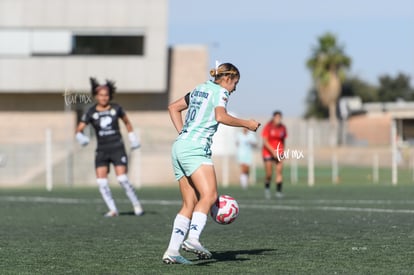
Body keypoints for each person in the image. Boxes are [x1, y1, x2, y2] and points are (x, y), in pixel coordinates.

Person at [163, 63, 261, 264]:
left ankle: (172, 251)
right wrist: (247, 124)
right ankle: (193, 239)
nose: (234, 89)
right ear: (227, 79)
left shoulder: (200, 88)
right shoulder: (220, 92)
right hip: (196, 149)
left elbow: (173, 107)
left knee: (189, 203)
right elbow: (221, 116)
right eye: (235, 83)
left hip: (180, 146)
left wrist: (184, 133)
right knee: (210, 195)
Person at [75, 78, 144, 217]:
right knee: (101, 181)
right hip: (102, 150)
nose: (103, 97)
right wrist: (80, 137)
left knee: (122, 179)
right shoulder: (91, 112)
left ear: (110, 95)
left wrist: (133, 139)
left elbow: (127, 123)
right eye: (100, 95)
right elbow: (79, 129)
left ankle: (136, 204)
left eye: (106, 95)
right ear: (96, 95)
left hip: (117, 147)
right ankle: (113, 209)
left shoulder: (116, 108)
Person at [261, 111, 287, 199]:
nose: (278, 119)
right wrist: (273, 151)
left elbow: (283, 141)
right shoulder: (268, 127)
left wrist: (282, 152)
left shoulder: (283, 128)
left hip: (279, 152)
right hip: (268, 152)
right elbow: (265, 141)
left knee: (279, 171)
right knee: (269, 173)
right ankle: (267, 189)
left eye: (280, 118)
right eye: (277, 117)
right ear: (273, 118)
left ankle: (278, 192)